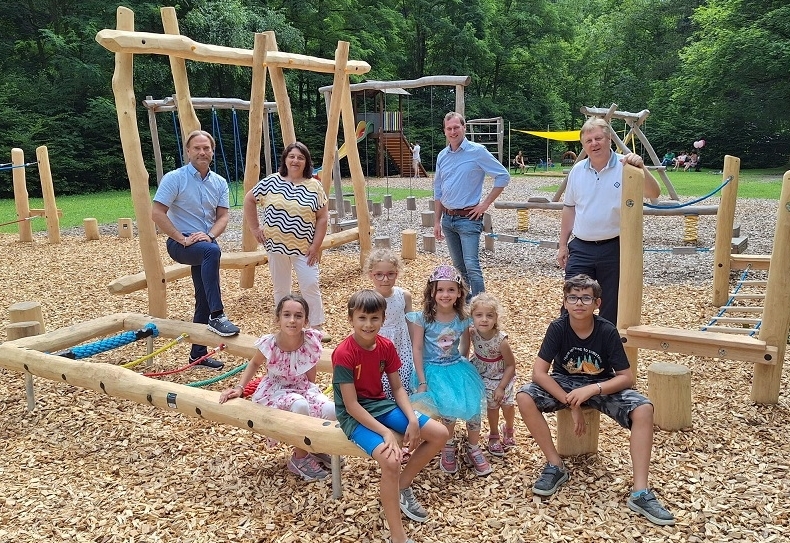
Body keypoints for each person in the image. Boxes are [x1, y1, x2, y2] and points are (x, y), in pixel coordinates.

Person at [516, 274, 675, 527]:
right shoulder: (558, 328)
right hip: (564, 383)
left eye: (586, 298)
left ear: (597, 303)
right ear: (565, 302)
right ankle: (555, 465)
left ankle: (641, 492)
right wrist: (571, 402)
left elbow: (626, 377)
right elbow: (539, 373)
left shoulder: (606, 330)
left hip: (600, 384)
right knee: (524, 396)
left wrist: (592, 390)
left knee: (643, 408)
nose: (579, 303)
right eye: (573, 297)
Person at [333, 290, 448, 543]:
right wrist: (386, 433)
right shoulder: (344, 353)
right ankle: (398, 537)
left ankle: (402, 486)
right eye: (362, 318)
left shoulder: (386, 346)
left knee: (440, 434)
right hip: (353, 416)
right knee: (392, 461)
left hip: (381, 405)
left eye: (374, 318)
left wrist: (413, 419)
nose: (368, 324)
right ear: (351, 319)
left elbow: (397, 388)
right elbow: (351, 406)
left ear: (383, 319)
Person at [218, 295, 336, 481]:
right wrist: (240, 388)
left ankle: (315, 445)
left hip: (301, 387)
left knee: (331, 409)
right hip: (275, 390)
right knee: (300, 406)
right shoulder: (270, 343)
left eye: (298, 316)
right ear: (278, 319)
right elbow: (255, 363)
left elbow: (310, 364)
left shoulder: (310, 340)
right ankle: (300, 457)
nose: (292, 320)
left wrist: (312, 388)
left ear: (305, 320)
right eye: (287, 315)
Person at [556, 117, 660, 325]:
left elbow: (654, 192)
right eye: (589, 141)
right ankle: (568, 348)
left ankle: (604, 351)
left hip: (613, 247)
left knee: (610, 304)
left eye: (598, 138)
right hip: (581, 247)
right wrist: (562, 245)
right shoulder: (577, 170)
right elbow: (569, 208)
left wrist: (642, 167)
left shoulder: (626, 166)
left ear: (609, 138)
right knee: (573, 299)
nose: (594, 144)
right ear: (583, 145)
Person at [152, 129, 240, 370]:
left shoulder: (219, 182)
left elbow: (223, 216)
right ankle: (217, 315)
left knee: (202, 295)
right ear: (188, 151)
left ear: (212, 151)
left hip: (204, 241)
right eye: (197, 148)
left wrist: (210, 234)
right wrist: (181, 238)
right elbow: (157, 213)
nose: (202, 152)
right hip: (181, 244)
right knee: (212, 251)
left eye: (206, 148)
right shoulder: (175, 178)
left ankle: (197, 355)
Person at [406, 264, 489, 477]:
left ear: (460, 292)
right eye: (440, 289)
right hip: (432, 370)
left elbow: (464, 344)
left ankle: (474, 446)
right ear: (431, 292)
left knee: (472, 406)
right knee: (448, 410)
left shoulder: (462, 317)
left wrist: (463, 363)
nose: (445, 294)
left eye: (451, 289)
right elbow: (416, 347)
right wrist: (422, 380)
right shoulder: (423, 318)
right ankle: (448, 445)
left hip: (455, 366)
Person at [244, 142, 329, 339]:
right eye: (292, 156)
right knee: (281, 287)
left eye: (300, 157)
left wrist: (316, 246)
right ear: (285, 159)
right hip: (276, 246)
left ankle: (316, 326)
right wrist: (255, 228)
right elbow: (250, 200)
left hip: (304, 248)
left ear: (306, 162)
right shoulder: (271, 182)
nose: (295, 161)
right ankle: (283, 324)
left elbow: (323, 217)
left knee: (310, 284)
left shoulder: (314, 186)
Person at [433, 112, 510, 298]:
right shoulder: (442, 156)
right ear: (444, 131)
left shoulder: (477, 151)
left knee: (472, 266)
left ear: (464, 128)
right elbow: (438, 190)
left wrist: (484, 204)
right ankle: (466, 307)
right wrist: (437, 221)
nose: (453, 131)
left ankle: (481, 307)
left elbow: (503, 176)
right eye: (449, 128)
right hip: (447, 219)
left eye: (456, 127)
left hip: (469, 218)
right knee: (458, 267)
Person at [468, 293, 517, 457]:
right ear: (472, 317)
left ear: (496, 318)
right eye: (479, 315)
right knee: (492, 405)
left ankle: (509, 428)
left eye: (489, 316)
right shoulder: (472, 332)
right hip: (483, 373)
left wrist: (502, 387)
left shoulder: (501, 340)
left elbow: (511, 365)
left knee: (508, 405)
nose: (484, 319)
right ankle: (494, 434)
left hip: (501, 375)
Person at [364, 248, 414, 400]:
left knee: (404, 380)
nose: (385, 279)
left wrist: (415, 348)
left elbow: (410, 324)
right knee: (382, 383)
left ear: (397, 273)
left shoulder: (404, 296)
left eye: (390, 274)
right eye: (379, 275)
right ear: (371, 274)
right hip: (378, 347)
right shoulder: (368, 300)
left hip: (401, 347)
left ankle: (403, 416)